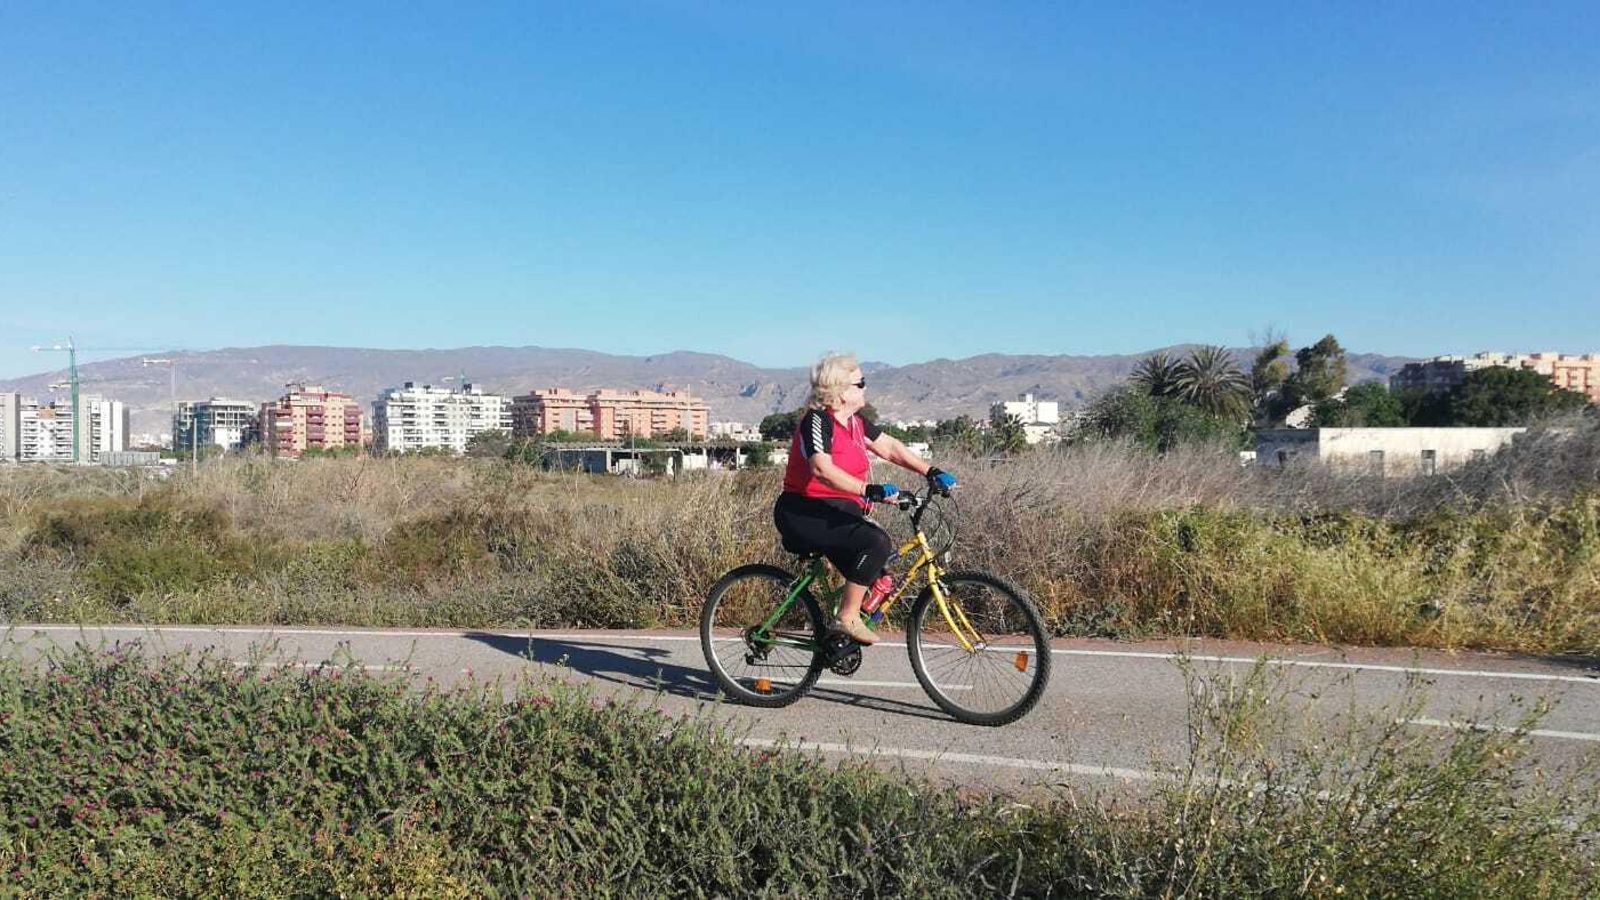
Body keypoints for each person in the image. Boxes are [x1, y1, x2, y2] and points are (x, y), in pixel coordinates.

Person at [773, 353, 957, 645]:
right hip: (802, 510)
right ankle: (846, 618)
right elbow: (821, 469)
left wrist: (930, 471)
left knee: (881, 574)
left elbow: (890, 448)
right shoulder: (818, 422)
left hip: (836, 509)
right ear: (841, 391)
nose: (865, 389)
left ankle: (838, 641)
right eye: (861, 383)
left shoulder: (856, 423)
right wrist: (869, 489)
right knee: (876, 542)